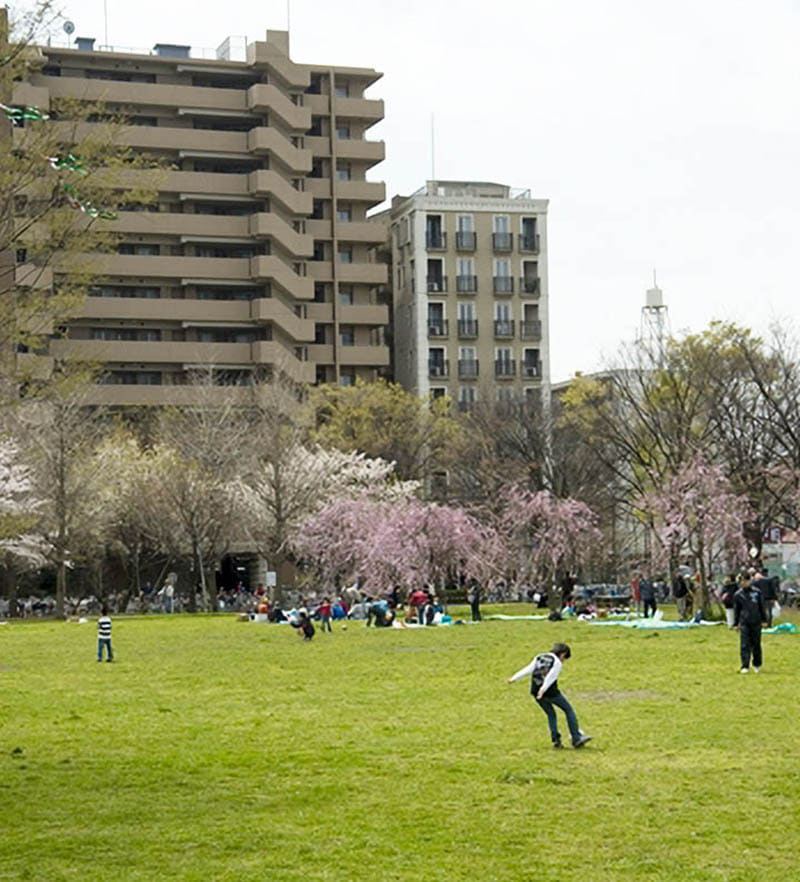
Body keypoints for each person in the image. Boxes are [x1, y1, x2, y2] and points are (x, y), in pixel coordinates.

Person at [507, 642, 592, 749]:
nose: (563, 661)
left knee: (551, 714)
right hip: (550, 692)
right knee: (568, 710)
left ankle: (556, 741)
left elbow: (528, 669)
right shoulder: (557, 662)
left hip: (535, 690)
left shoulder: (539, 657)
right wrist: (543, 689)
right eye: (565, 658)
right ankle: (576, 737)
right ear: (563, 654)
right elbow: (551, 677)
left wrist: (514, 678)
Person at [733, 573, 767, 673]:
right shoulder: (738, 595)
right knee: (744, 644)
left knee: (756, 643)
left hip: (756, 621)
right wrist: (736, 623)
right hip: (744, 622)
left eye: (746, 581)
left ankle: (757, 664)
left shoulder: (757, 593)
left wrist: (764, 620)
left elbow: (762, 607)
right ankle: (745, 665)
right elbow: (737, 610)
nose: (744, 583)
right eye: (742, 581)